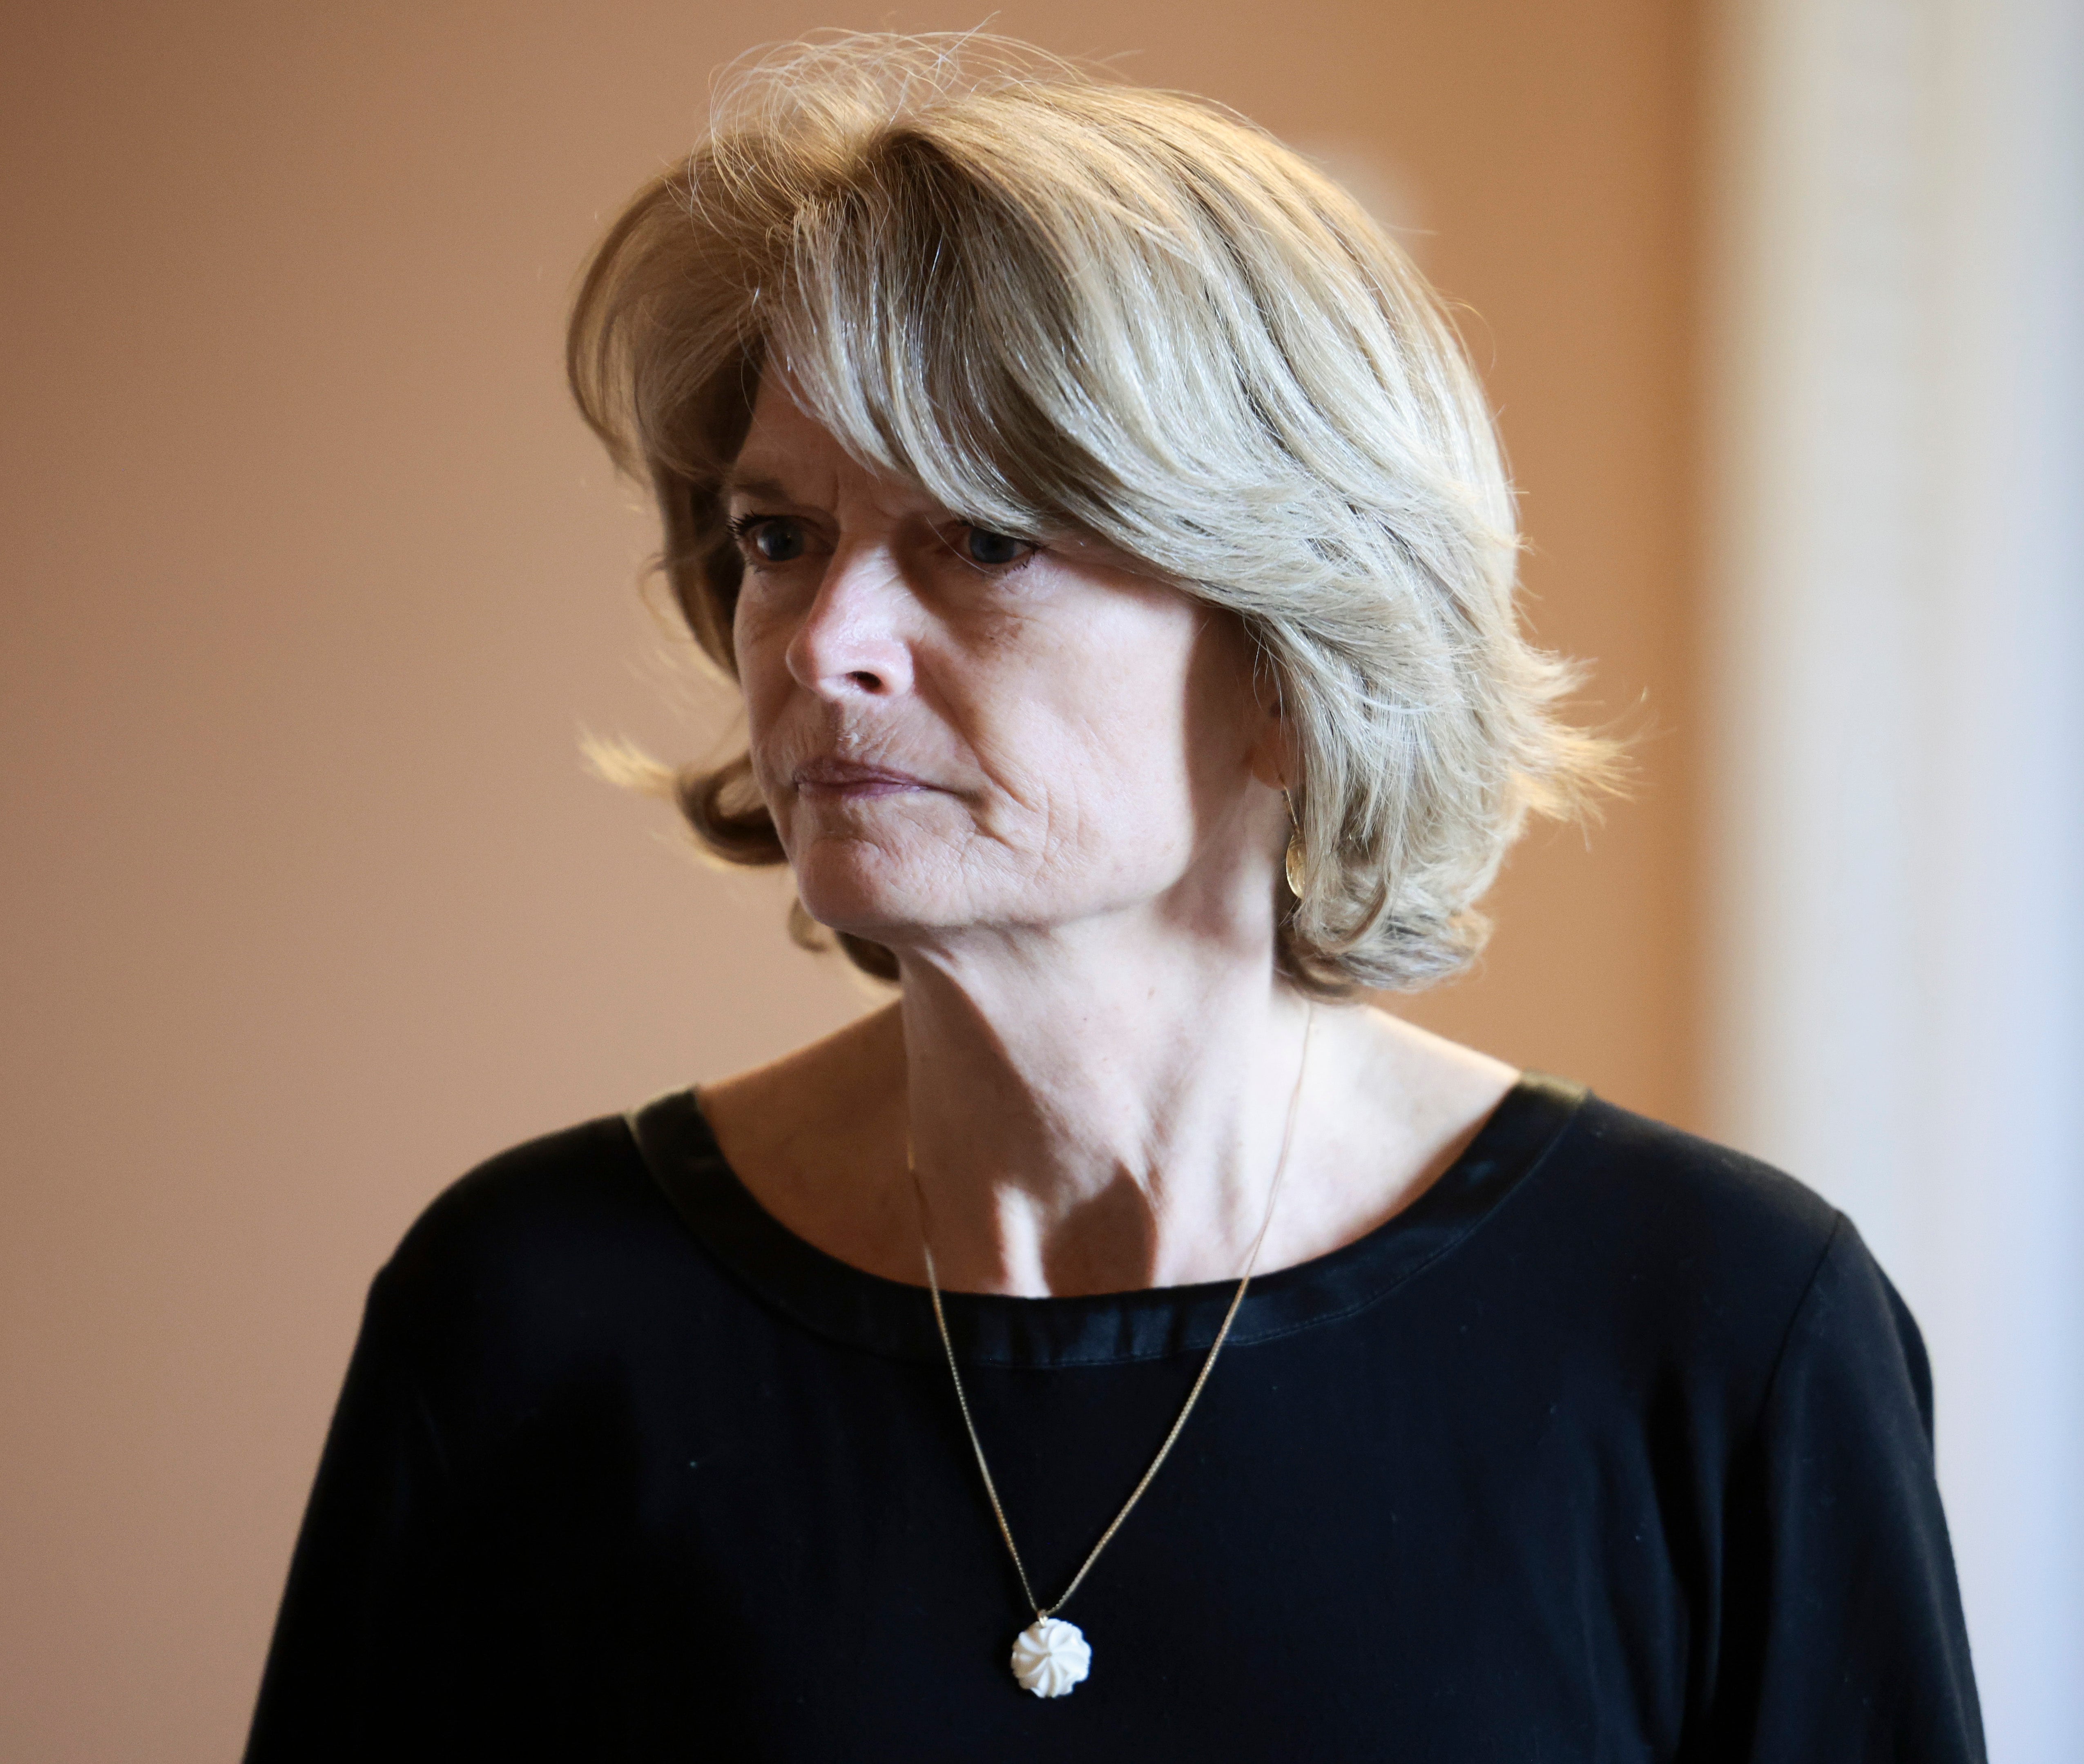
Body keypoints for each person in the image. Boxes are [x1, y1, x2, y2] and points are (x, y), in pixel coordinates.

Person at [246, 33, 1985, 1762]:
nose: (825, 644)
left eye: (984, 541)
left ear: (1293, 649)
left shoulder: (1713, 1326)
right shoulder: (536, 1311)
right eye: (780, 535)